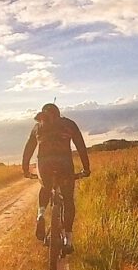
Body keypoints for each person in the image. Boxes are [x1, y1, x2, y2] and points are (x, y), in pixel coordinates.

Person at [22, 103, 90, 253]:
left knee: (45, 187)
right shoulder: (69, 124)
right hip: (64, 163)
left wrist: (25, 169)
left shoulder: (38, 126)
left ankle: (40, 214)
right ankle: (68, 239)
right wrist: (86, 168)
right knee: (67, 199)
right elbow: (81, 147)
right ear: (59, 114)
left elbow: (28, 149)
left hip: (44, 164)